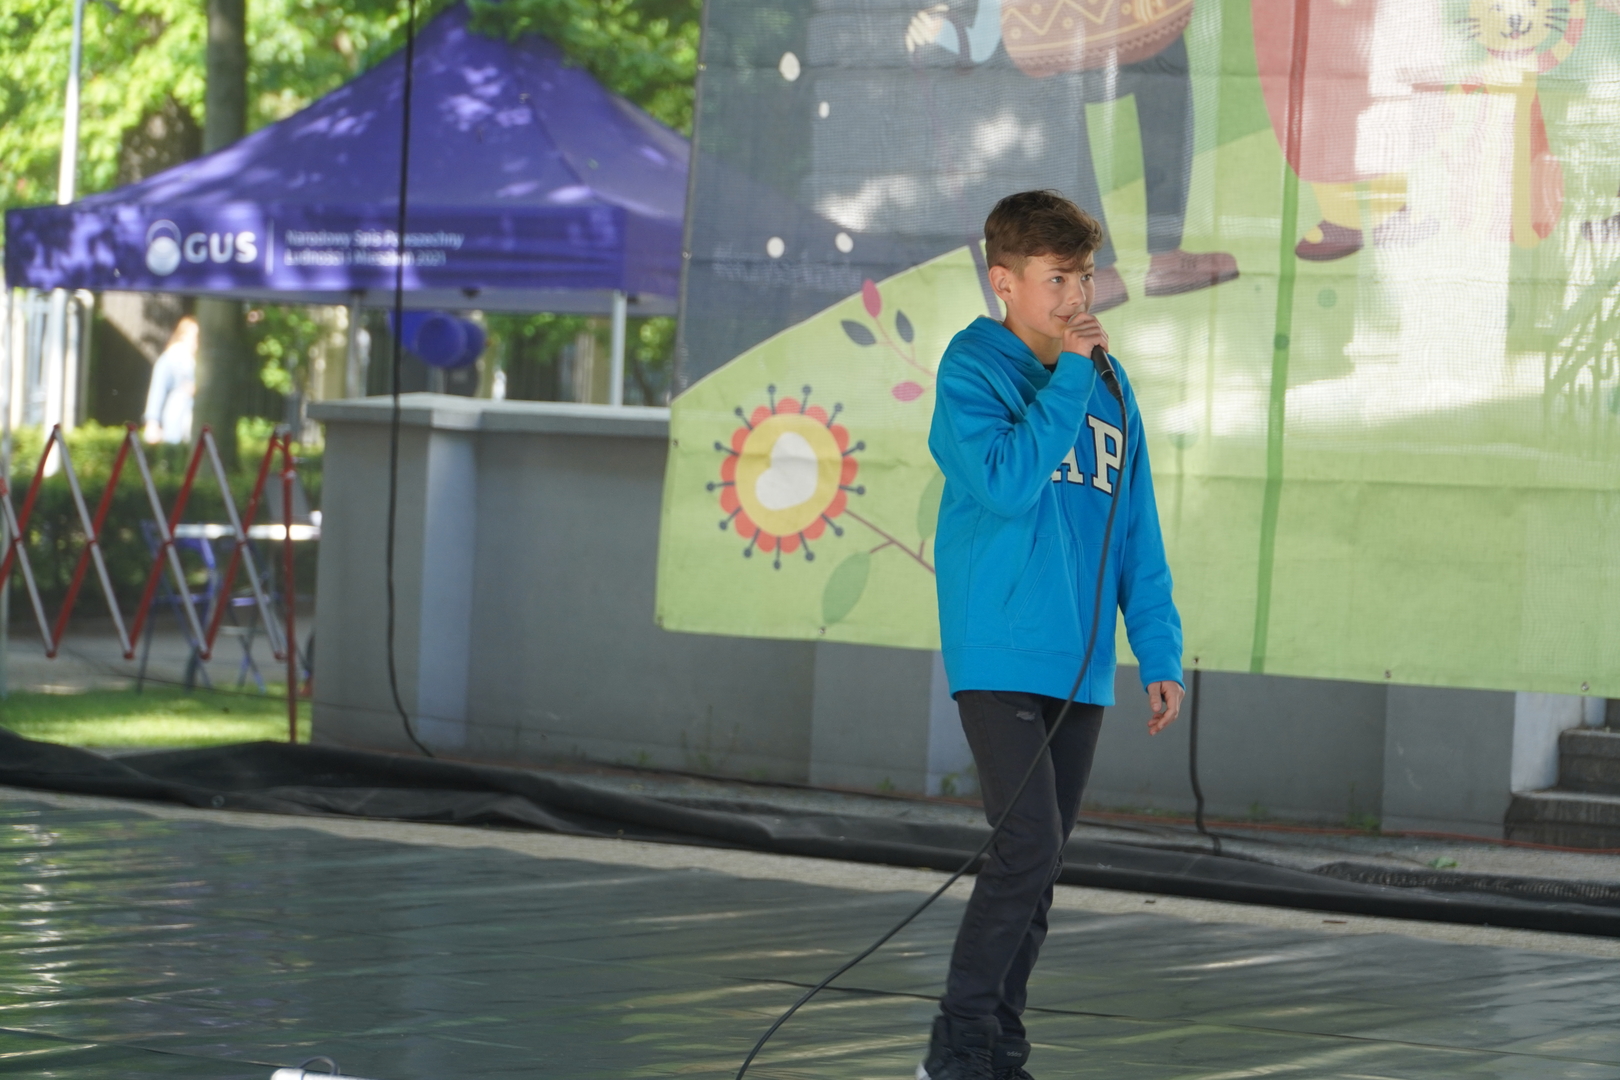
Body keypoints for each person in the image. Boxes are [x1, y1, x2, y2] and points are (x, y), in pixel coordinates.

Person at [922, 190, 1184, 1080]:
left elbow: (1137, 528)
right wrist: (1070, 376)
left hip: (1081, 664)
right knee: (1024, 846)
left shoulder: (1111, 385)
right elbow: (1004, 483)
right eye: (1057, 279)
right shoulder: (973, 370)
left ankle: (1001, 1050)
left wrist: (1158, 650)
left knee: (1040, 866)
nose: (1078, 297)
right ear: (1004, 282)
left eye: (1085, 277)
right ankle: (955, 1053)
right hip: (1000, 648)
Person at [905, 1, 1238, 310]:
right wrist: (943, 32)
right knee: (1148, 82)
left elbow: (980, 44)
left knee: (1072, 124)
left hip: (1090, 37)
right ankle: (1143, 259)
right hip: (1084, 39)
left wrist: (940, 32)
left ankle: (1111, 267)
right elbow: (981, 43)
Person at [143, 314, 198, 444]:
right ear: (183, 336)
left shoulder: (196, 363)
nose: (198, 341)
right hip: (174, 428)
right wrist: (152, 423)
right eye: (195, 336)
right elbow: (157, 390)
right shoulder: (170, 359)